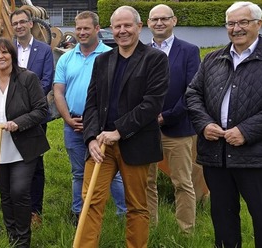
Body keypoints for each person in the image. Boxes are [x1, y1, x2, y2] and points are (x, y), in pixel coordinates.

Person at [185, 2, 262, 247]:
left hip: (257, 156)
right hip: (217, 154)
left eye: (243, 22)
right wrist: (204, 124)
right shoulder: (213, 58)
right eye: (231, 23)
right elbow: (193, 94)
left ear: (258, 23)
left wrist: (246, 131)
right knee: (223, 220)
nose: (236, 28)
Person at [77, 6, 168, 247]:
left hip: (135, 143)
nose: (122, 31)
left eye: (127, 25)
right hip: (101, 146)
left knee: (137, 206)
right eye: (117, 26)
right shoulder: (103, 60)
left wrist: (119, 130)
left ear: (139, 27)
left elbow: (152, 104)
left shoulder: (155, 59)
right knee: (90, 202)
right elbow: (92, 103)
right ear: (111, 29)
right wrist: (91, 138)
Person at [0, 38, 50, 247]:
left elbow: (42, 109)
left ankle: (24, 240)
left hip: (24, 146)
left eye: (5, 52)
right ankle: (12, 238)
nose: (1, 57)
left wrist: (18, 123)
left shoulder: (27, 78)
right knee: (5, 194)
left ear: (12, 55)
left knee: (19, 191)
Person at [52, 11, 127, 226]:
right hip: (74, 124)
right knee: (78, 172)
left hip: (104, 126)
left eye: (86, 28)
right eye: (79, 28)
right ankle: (79, 212)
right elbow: (58, 91)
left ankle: (123, 214)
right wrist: (67, 118)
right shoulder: (66, 58)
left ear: (97, 29)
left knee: (113, 173)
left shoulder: (112, 56)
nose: (82, 32)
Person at [145, 4, 200, 234]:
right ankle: (149, 227)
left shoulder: (189, 50)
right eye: (154, 19)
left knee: (182, 182)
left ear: (174, 21)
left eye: (164, 19)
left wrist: (166, 116)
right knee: (147, 182)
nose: (159, 23)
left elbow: (192, 90)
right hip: (145, 129)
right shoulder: (141, 51)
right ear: (148, 23)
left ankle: (186, 231)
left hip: (178, 129)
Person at [10, 8, 54, 224]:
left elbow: (46, 81)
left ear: (30, 24)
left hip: (35, 116)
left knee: (35, 163)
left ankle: (35, 209)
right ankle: (14, 205)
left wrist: (27, 106)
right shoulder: (7, 49)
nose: (19, 26)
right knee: (12, 161)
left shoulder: (44, 50)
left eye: (22, 22)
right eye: (15, 23)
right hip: (10, 118)